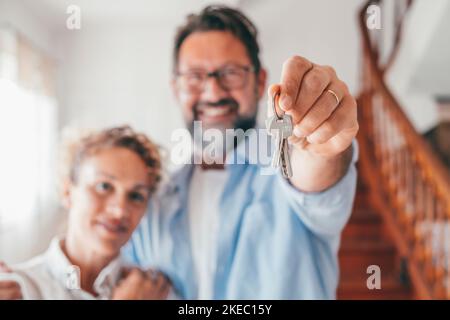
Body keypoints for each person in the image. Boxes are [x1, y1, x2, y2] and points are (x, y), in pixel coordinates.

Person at [123, 5, 359, 299]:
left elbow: (314, 173)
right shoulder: (153, 202)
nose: (212, 91)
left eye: (230, 73)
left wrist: (323, 141)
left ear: (260, 82)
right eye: (195, 76)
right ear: (176, 88)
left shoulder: (287, 165)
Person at [0, 126, 171, 299]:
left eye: (136, 196)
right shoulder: (17, 289)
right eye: (104, 186)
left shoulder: (156, 291)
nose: (119, 211)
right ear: (67, 192)